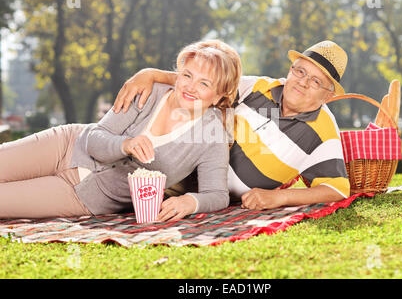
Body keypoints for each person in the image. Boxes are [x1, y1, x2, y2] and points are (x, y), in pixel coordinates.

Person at [0, 39, 242, 221]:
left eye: (204, 83)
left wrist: (191, 202)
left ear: (220, 95)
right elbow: (94, 138)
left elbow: (217, 194)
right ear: (176, 76)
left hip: (82, 197)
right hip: (65, 145)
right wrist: (124, 144)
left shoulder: (213, 137)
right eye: (187, 75)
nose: (190, 87)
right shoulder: (149, 91)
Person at [113, 40, 351, 210]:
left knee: (116, 191)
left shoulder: (323, 131)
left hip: (207, 196)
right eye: (300, 71)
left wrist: (278, 198)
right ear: (290, 70)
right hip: (174, 164)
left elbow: (338, 190)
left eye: (316, 81)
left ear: (328, 95)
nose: (303, 82)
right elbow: (206, 84)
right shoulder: (258, 88)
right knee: (108, 170)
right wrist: (152, 74)